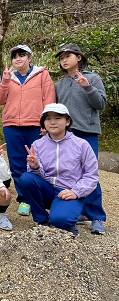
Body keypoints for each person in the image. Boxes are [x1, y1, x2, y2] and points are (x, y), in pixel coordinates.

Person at [18, 103, 99, 236]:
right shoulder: (38, 145)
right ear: (44, 122)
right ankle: (42, 221)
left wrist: (76, 192)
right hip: (48, 189)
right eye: (48, 118)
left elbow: (92, 175)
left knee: (60, 221)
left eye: (58, 118)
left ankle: (65, 219)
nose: (52, 122)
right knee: (26, 178)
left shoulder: (81, 144)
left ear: (67, 121)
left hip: (68, 192)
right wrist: (35, 167)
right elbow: (34, 178)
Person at [0, 44, 55, 216]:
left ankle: (41, 196)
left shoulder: (42, 74)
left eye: (22, 55)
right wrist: (5, 80)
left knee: (38, 162)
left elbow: (49, 99)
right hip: (12, 125)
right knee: (17, 163)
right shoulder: (9, 77)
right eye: (14, 56)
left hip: (35, 124)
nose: (18, 59)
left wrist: (46, 124)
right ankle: (25, 199)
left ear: (29, 57)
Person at [55, 43, 107, 234]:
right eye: (61, 58)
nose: (64, 60)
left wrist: (87, 87)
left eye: (68, 56)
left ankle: (97, 217)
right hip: (66, 134)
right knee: (70, 173)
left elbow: (101, 104)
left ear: (78, 57)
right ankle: (79, 212)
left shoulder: (92, 78)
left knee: (89, 173)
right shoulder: (59, 84)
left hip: (87, 132)